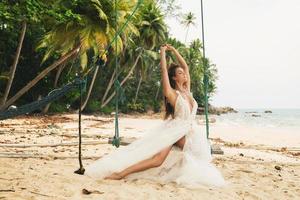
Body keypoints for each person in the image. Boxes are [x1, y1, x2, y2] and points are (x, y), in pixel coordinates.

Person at [84, 44, 226, 188]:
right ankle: (121, 174)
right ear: (174, 78)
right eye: (180, 73)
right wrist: (163, 52)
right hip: (176, 130)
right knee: (158, 159)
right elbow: (164, 70)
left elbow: (186, 67)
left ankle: (174, 172)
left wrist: (175, 50)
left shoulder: (188, 92)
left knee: (174, 158)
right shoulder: (172, 94)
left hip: (190, 130)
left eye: (184, 73)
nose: (184, 74)